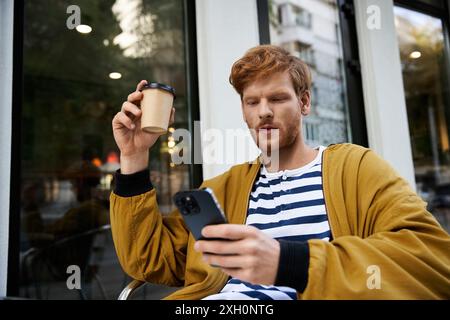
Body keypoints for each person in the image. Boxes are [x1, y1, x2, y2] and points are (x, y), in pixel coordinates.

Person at [110, 45, 450, 299]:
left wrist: (289, 263)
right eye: (252, 101)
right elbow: (148, 260)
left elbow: (432, 260)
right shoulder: (225, 187)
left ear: (304, 103)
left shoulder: (355, 168)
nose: (264, 113)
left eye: (277, 98)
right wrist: (134, 155)